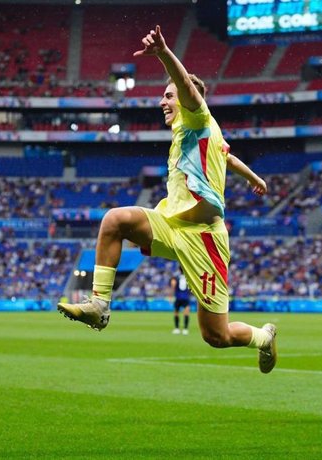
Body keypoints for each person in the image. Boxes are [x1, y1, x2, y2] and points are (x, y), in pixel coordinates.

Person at [57, 25, 277, 374]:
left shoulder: (199, 116)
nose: (163, 101)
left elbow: (188, 88)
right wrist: (255, 178)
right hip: (172, 222)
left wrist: (162, 53)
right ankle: (99, 304)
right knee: (114, 220)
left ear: (189, 101)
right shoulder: (195, 134)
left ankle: (264, 338)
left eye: (169, 96)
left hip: (205, 238)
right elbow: (227, 155)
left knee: (215, 336)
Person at [171, 271, 191, 335]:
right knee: (186, 313)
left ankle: (177, 328)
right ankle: (185, 329)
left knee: (176, 313)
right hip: (185, 297)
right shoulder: (188, 277)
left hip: (178, 297)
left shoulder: (176, 277)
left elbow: (173, 285)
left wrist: (171, 296)